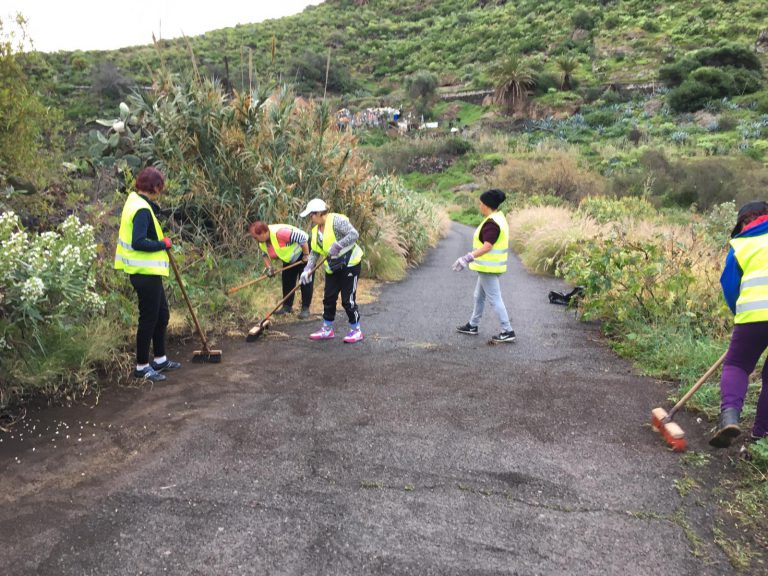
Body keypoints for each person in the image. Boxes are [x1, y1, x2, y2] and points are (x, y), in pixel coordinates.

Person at [114, 166, 181, 382]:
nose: (160, 191)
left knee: (162, 315)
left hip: (149, 272)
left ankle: (160, 359)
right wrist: (163, 244)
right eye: (160, 187)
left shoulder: (135, 201)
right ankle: (142, 366)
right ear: (154, 187)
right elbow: (138, 242)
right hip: (144, 273)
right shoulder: (141, 209)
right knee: (149, 319)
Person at [710, 200, 768, 447]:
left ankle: (730, 417)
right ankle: (761, 436)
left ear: (745, 222)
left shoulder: (742, 244)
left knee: (737, 365)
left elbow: (731, 287)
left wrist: (742, 316)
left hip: (753, 315)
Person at [453, 189, 516, 343]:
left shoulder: (492, 223)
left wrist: (468, 258)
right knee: (478, 296)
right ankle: (473, 325)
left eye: (480, 203)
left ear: (486, 205)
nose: (479, 205)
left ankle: (507, 330)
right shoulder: (498, 218)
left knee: (495, 299)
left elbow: (488, 246)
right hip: (488, 268)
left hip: (489, 268)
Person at [298, 198, 364, 343]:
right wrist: (308, 269)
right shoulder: (315, 231)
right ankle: (327, 329)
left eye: (311, 214)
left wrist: (338, 245)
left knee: (347, 300)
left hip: (350, 264)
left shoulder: (336, 221)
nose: (310, 218)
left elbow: (354, 234)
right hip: (333, 267)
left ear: (319, 213)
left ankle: (356, 330)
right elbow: (315, 252)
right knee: (329, 298)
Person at [249, 220, 312, 319]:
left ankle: (305, 308)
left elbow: (302, 238)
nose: (255, 239)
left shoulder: (280, 232)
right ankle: (287, 307)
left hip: (304, 249)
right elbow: (264, 254)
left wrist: (306, 255)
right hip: (289, 257)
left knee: (305, 279)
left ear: (263, 233)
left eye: (256, 237)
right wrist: (270, 268)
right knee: (287, 279)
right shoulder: (262, 242)